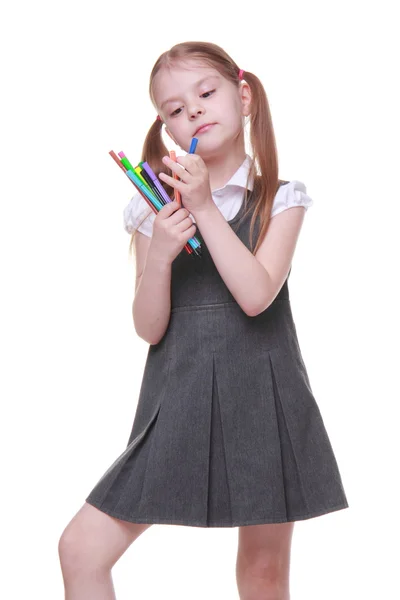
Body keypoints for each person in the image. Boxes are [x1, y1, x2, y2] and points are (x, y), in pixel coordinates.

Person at [58, 41, 349, 600]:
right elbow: (148, 328)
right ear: (168, 131)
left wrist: (207, 210)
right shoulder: (153, 209)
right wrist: (161, 254)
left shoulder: (281, 200)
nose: (190, 110)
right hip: (176, 398)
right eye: (172, 108)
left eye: (205, 93)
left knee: (262, 575)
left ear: (242, 97)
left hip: (263, 399)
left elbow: (257, 295)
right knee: (80, 549)